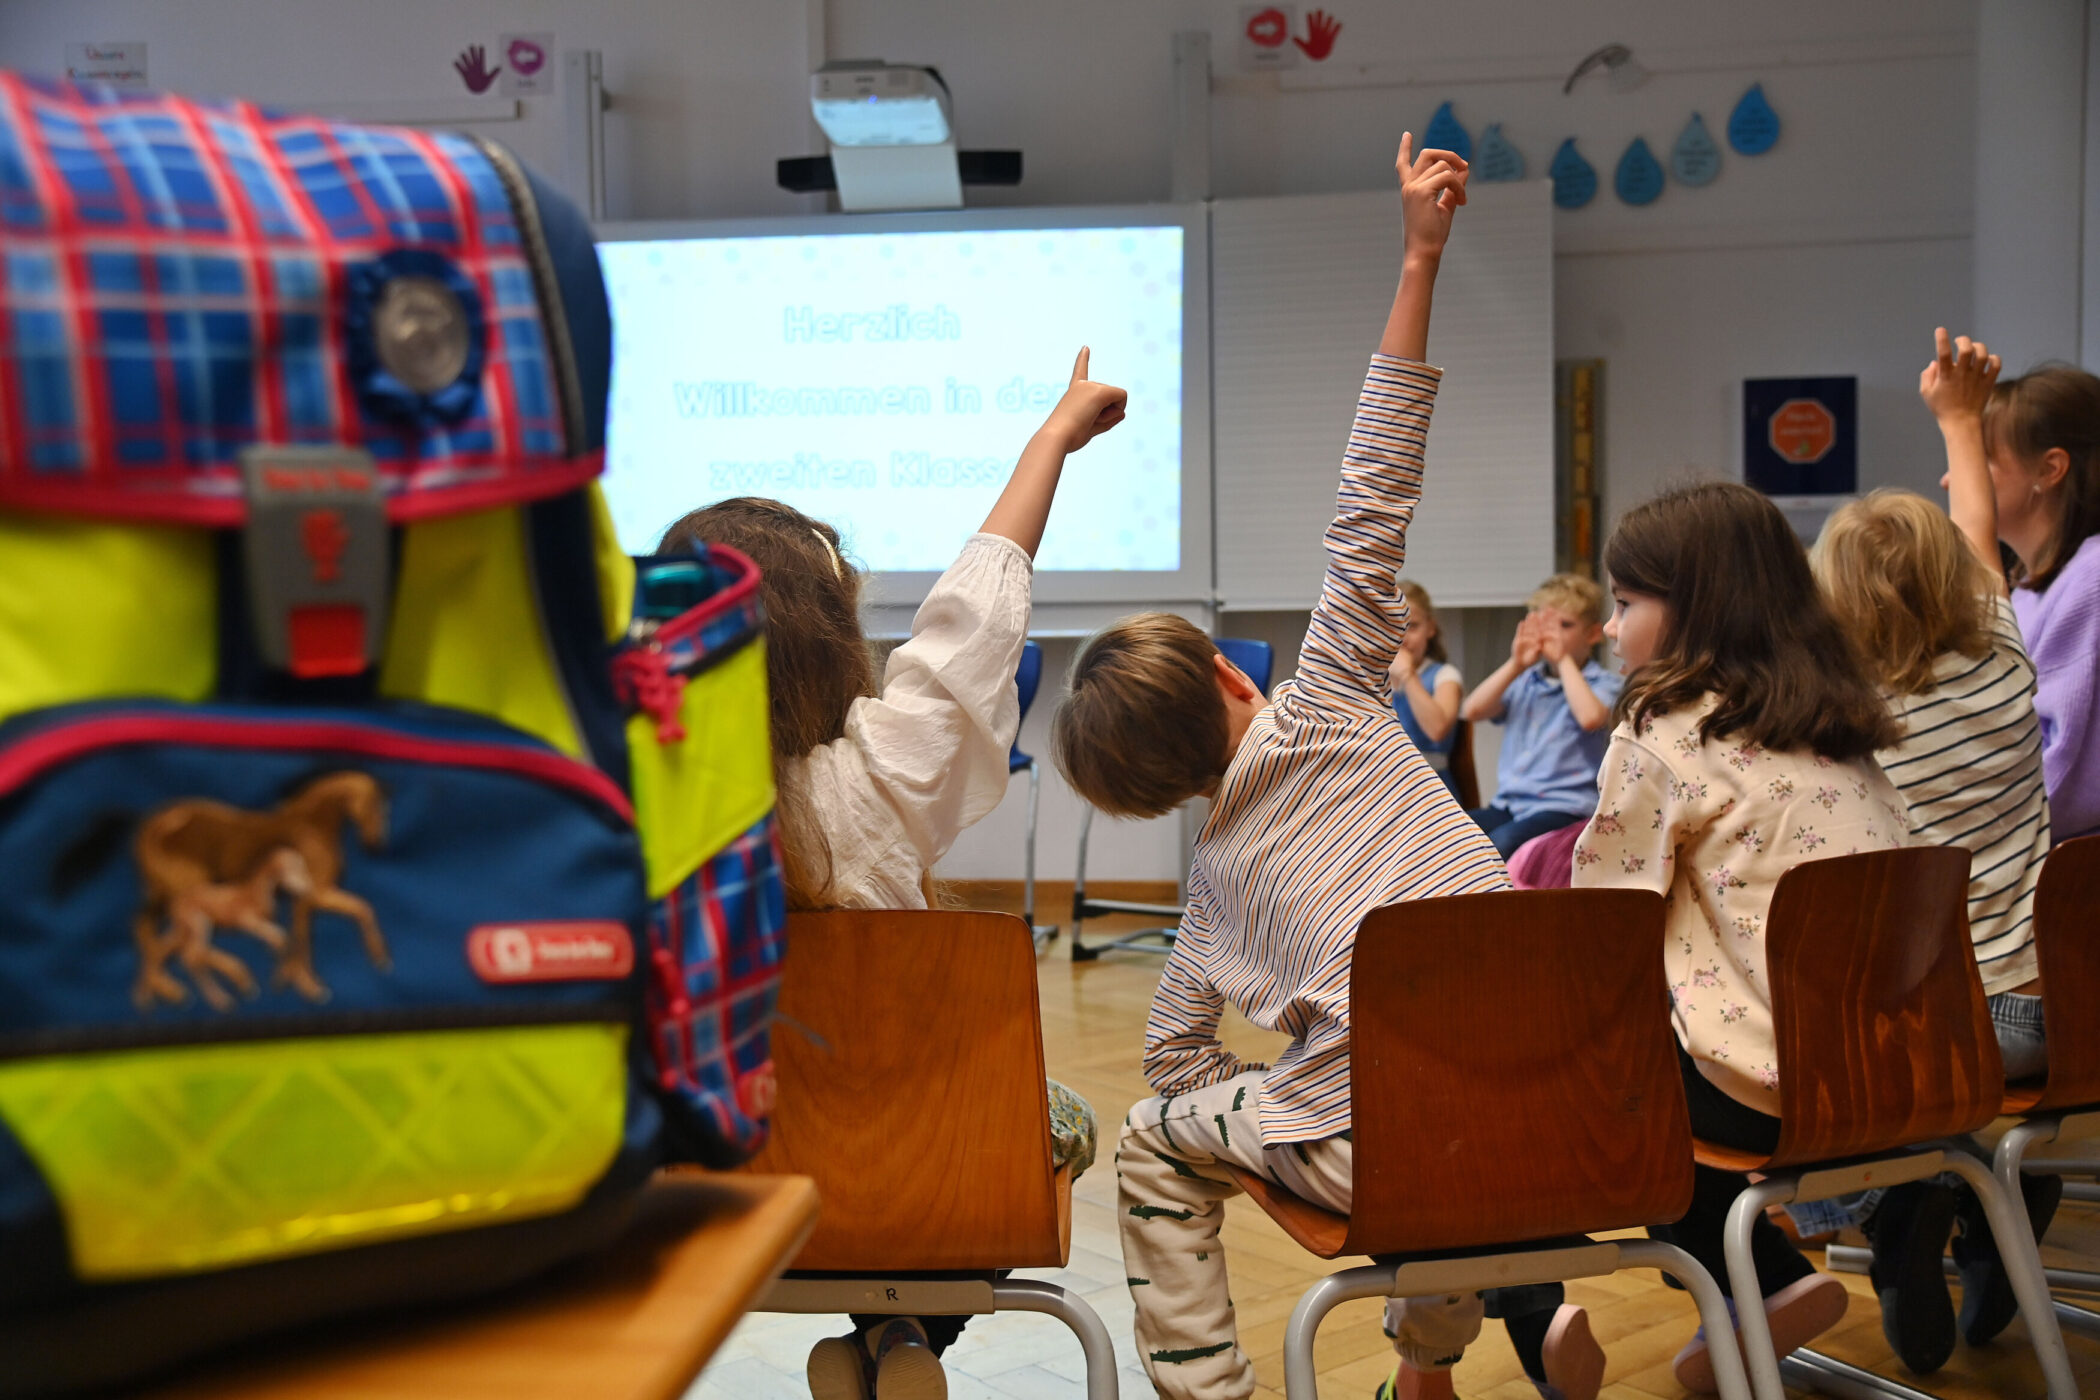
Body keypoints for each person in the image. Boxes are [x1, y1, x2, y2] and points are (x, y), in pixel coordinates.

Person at [1055, 137, 1602, 1400]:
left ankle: (1213, 1391)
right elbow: (1376, 485)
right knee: (1431, 1099)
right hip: (1552, 1097)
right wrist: (1420, 254)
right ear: (1232, 674)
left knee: (1149, 1140)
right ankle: (1426, 1367)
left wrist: (1281, 1087)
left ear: (1144, 795)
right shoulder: (1344, 697)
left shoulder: (1206, 895)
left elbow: (1174, 1067)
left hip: (1388, 1143)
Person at [660, 350, 1125, 1400]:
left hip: (723, 1182)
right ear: (832, 638)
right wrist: (1050, 440)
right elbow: (975, 624)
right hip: (922, 1166)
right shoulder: (882, 774)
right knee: (1041, 1117)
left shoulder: (643, 808)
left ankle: (884, 1339)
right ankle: (905, 1328)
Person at [1570, 481, 1906, 1394]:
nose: (1609, 628)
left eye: (1626, 602)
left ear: (1695, 607)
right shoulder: (1842, 727)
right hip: (1901, 1075)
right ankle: (1784, 1269)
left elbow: (1599, 927)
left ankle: (1755, 1282)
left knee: (1611, 1086)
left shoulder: (1663, 732)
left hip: (1776, 1089)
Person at [1807, 329, 2061, 1360]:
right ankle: (2005, 1204)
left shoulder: (1846, 720)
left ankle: (1896, 1209)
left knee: (1822, 1058)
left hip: (1928, 1034)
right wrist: (1960, 416)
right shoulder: (2004, 658)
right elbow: (1975, 529)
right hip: (2044, 1019)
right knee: (1978, 1097)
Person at [1985, 361, 2100, 842]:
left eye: (1983, 459)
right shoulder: (2029, 589)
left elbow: (2064, 777)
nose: (1952, 479)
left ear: (2050, 469)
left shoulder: (2091, 578)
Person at [1459, 576, 1621, 857]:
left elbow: (1590, 718)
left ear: (1593, 634)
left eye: (1565, 625)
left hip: (1565, 808)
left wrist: (1563, 660)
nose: (1552, 635)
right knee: (1450, 833)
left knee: (1500, 844)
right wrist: (1516, 664)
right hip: (1510, 805)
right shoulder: (1526, 680)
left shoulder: (1603, 683)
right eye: (1545, 625)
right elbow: (1472, 710)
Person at [1388, 579, 1467, 798]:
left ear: (1430, 628)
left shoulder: (1444, 676)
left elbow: (1437, 730)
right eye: (1394, 627)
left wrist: (1407, 675)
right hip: (1385, 785)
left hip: (1431, 790)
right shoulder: (1371, 679)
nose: (1403, 638)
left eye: (1412, 626)